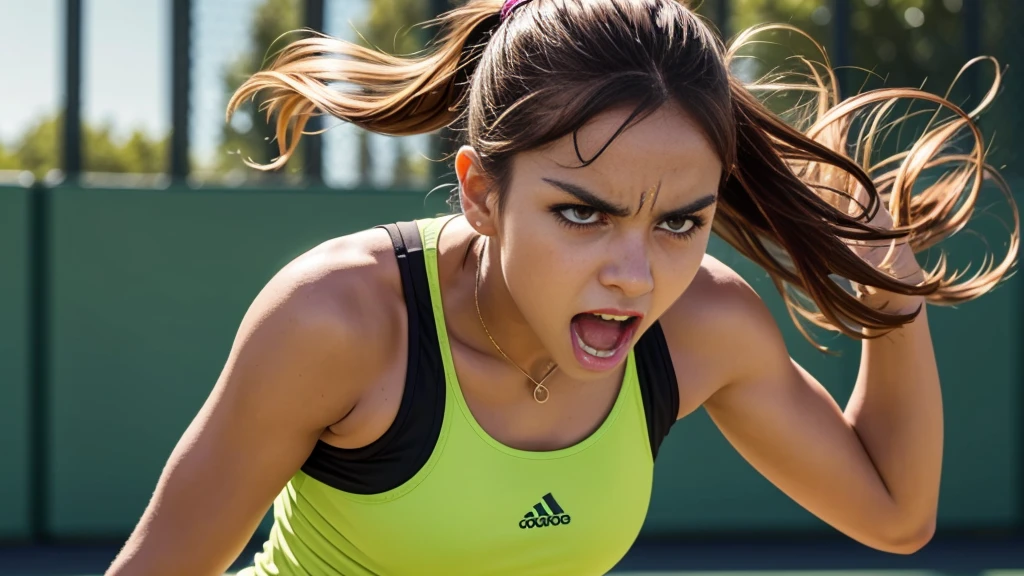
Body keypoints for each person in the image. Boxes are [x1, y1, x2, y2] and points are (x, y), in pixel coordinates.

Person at [106, 0, 1018, 575]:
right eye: (583, 214)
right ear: (481, 192)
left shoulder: (700, 324)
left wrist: (884, 267)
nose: (634, 274)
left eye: (678, 223)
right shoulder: (339, 319)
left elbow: (897, 516)